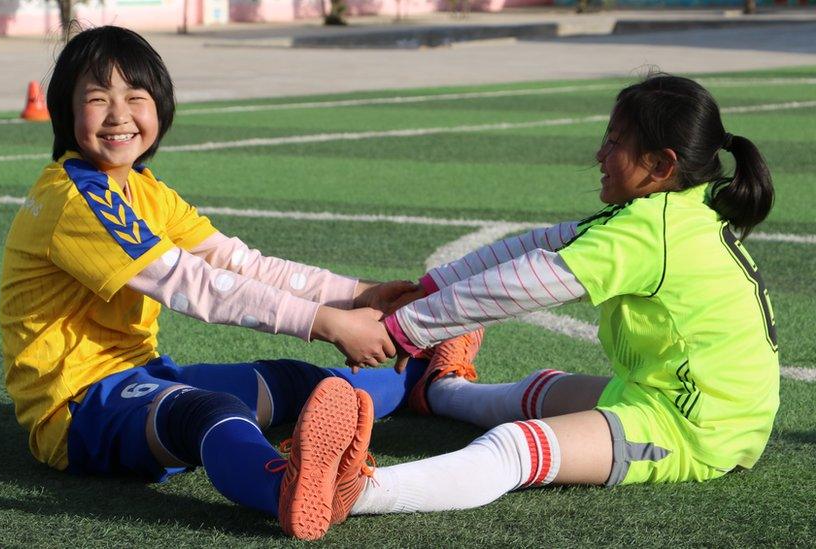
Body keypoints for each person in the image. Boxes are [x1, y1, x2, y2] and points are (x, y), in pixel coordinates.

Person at [0, 25, 445, 541]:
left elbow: (239, 264)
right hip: (76, 411)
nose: (119, 115)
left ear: (160, 108)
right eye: (98, 99)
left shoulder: (144, 190)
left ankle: (420, 380)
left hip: (144, 374)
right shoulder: (78, 201)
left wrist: (360, 293)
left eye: (135, 97)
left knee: (298, 381)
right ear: (66, 113)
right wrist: (326, 323)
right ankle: (287, 490)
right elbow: (194, 283)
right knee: (211, 411)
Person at [330, 74, 780, 521]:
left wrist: (403, 329)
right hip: (673, 396)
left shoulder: (649, 231)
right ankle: (440, 390)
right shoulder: (674, 211)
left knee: (515, 446)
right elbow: (539, 244)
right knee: (539, 390)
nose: (600, 154)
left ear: (661, 166)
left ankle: (356, 494)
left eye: (615, 142)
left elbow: (523, 284)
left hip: (697, 428)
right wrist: (426, 291)